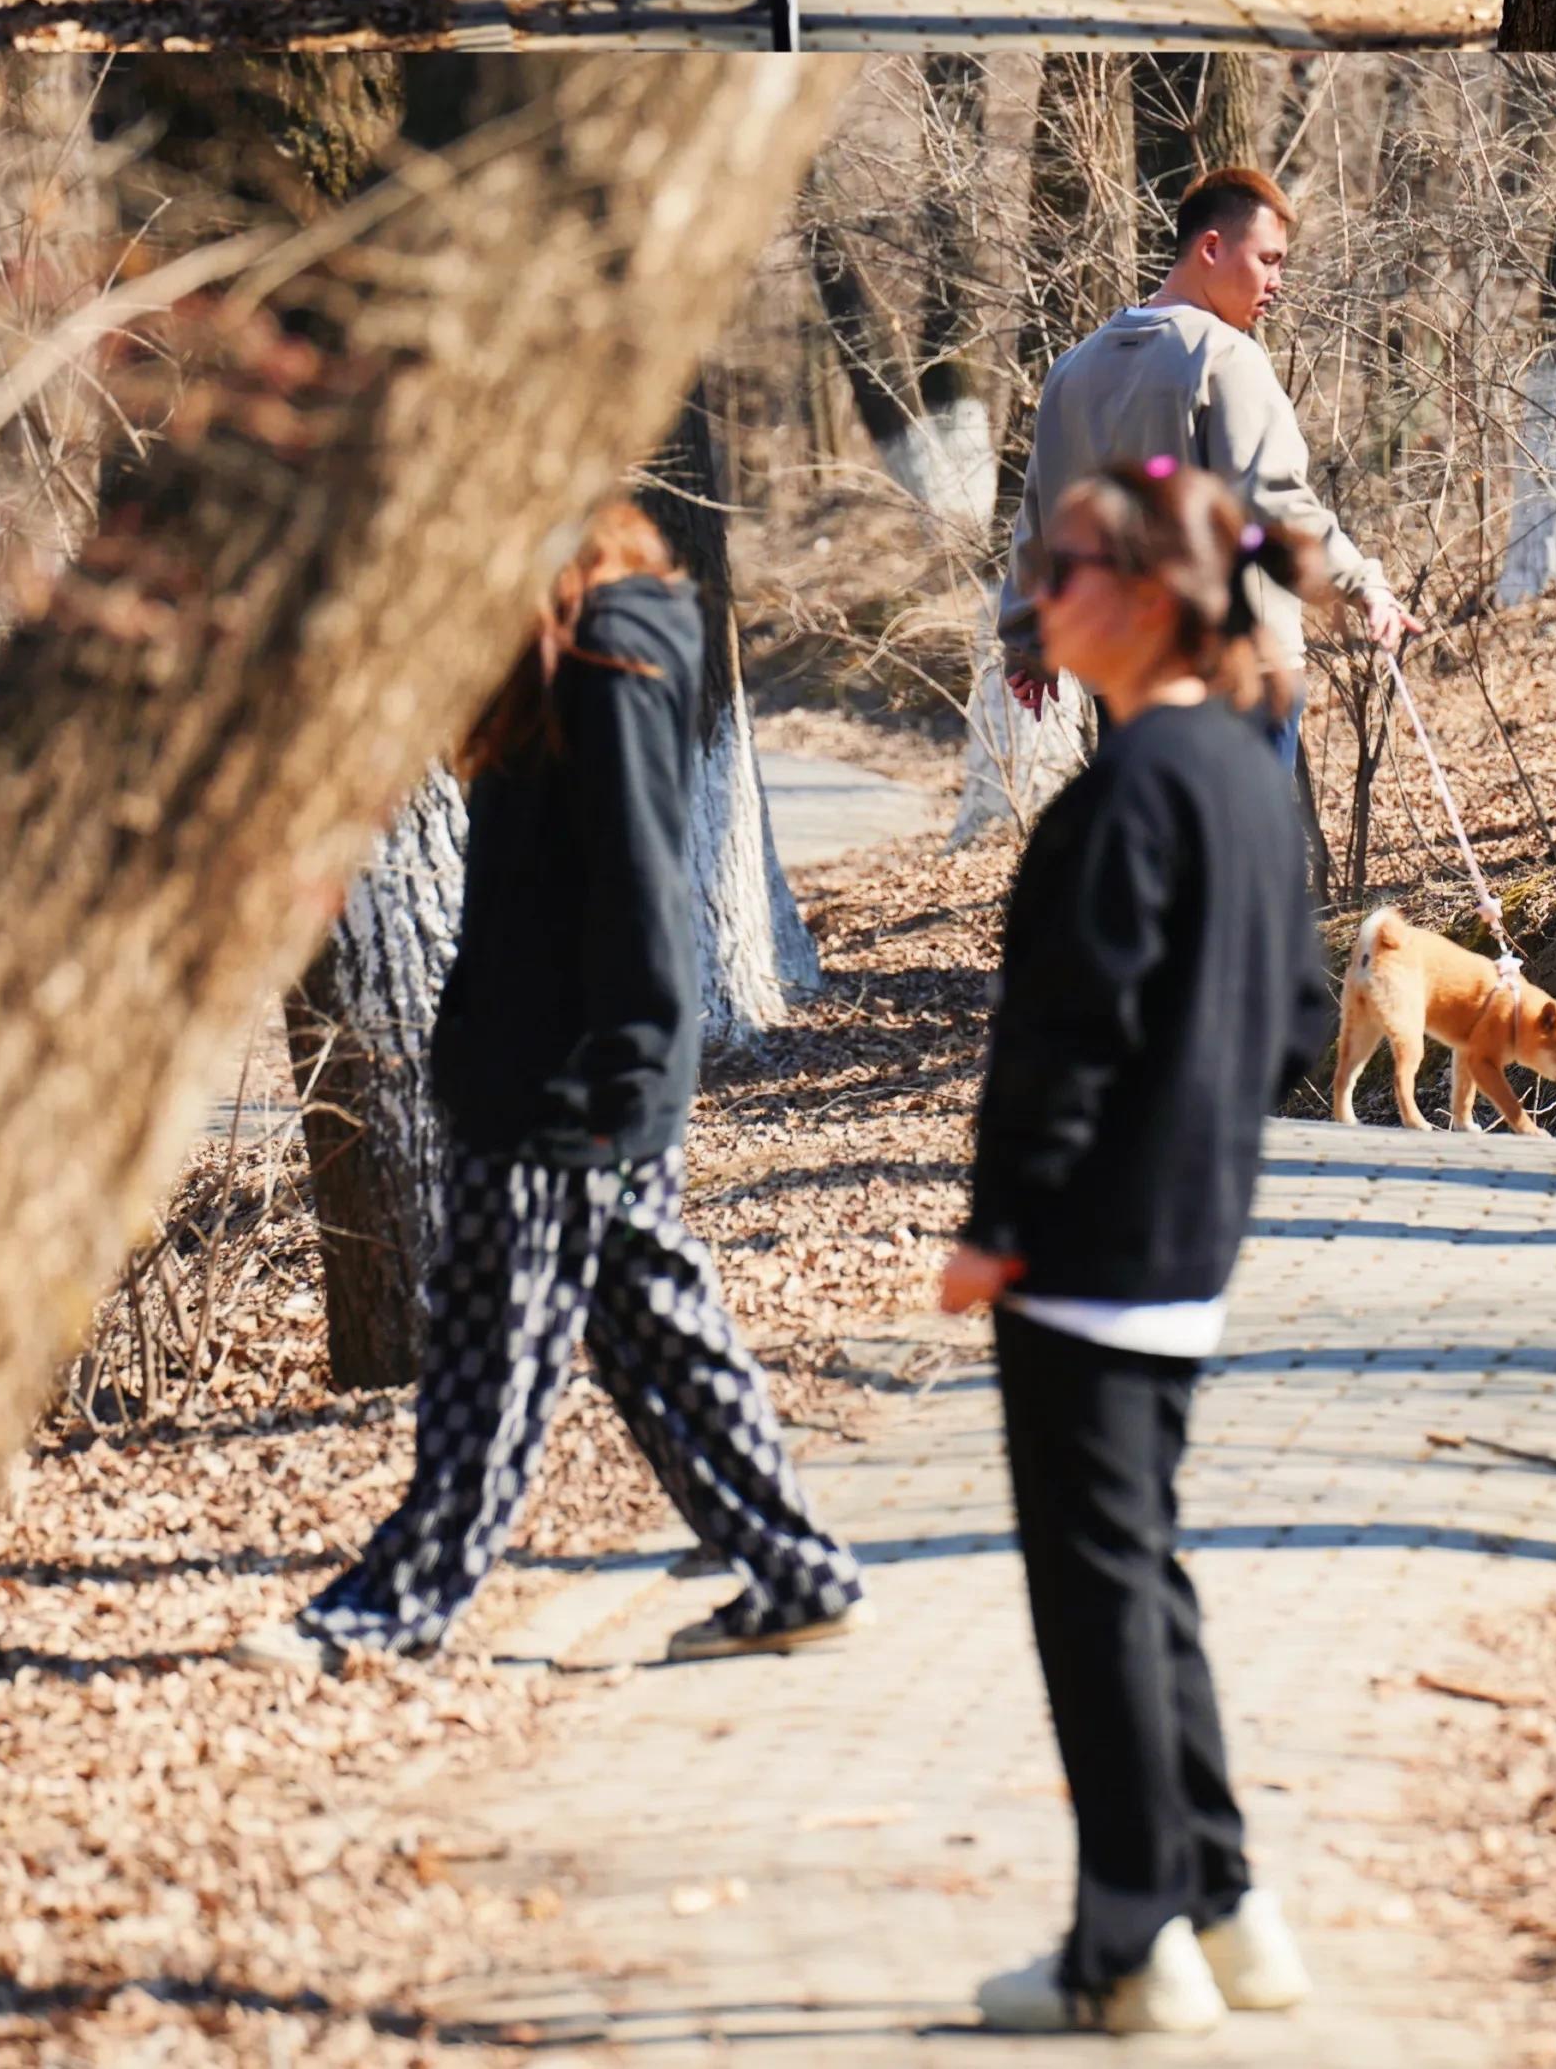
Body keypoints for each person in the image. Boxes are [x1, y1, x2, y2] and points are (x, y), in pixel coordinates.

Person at [238, 499, 864, 1675]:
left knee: (489, 1360)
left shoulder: (608, 655)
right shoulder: (563, 657)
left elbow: (639, 880)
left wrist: (628, 1076)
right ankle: (797, 1570)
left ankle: (392, 1609)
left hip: (567, 1087)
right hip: (554, 1073)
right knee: (661, 1344)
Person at [943, 463, 1334, 2038]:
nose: (1044, 586)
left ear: (1157, 591)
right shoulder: (1245, 772)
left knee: (1097, 1590)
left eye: (1074, 561)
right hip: (1187, 1239)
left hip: (1089, 1250)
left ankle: (1130, 1942)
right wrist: (1205, 1125)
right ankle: (1229, 1908)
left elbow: (1065, 1045)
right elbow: (1299, 1022)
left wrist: (1001, 1227)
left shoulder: (1127, 794)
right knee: (1139, 1567)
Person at [996, 165, 1406, 773]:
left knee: (1161, 861)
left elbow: (1042, 518)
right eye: (1268, 259)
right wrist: (1363, 584)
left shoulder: (1071, 370)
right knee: (1244, 860)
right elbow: (1272, 501)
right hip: (1235, 673)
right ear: (1211, 247)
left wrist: (1028, 641)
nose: (1278, 281)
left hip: (1125, 675)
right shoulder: (1226, 357)